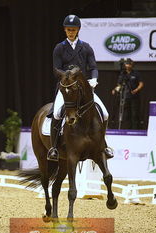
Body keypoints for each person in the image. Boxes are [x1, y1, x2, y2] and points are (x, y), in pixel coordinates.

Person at [47, 14, 113, 161]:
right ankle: (54, 148)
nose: (71, 32)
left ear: (78, 30)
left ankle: (103, 145)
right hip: (67, 87)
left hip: (84, 88)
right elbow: (56, 69)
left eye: (74, 29)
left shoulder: (86, 47)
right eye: (69, 29)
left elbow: (93, 67)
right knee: (57, 113)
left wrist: (94, 79)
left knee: (106, 114)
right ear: (65, 30)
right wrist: (68, 77)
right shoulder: (59, 48)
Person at [111, 58, 144, 130]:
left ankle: (135, 129)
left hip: (135, 96)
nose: (128, 65)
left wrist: (136, 90)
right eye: (126, 64)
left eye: (129, 64)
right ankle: (128, 129)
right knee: (127, 114)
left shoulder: (136, 73)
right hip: (126, 96)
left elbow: (141, 84)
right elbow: (119, 85)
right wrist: (115, 90)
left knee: (134, 114)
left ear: (132, 65)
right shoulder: (123, 74)